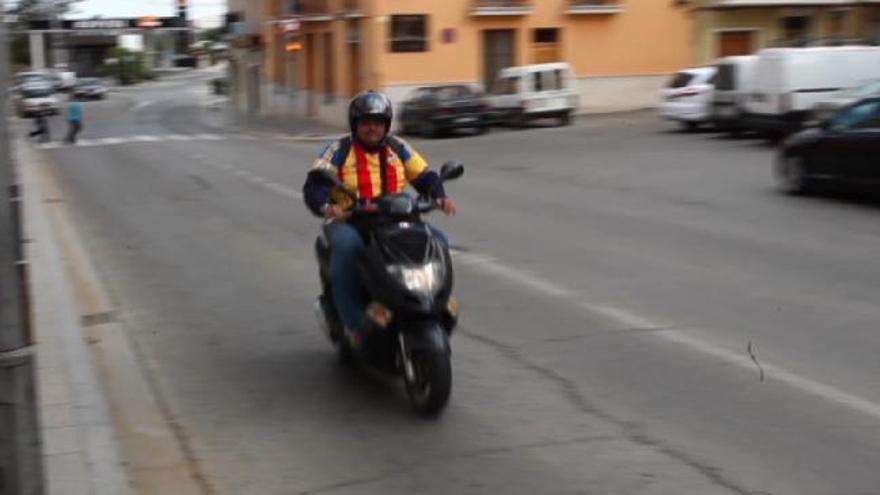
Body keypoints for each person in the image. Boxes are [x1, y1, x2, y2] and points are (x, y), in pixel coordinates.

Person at [303, 91, 458, 348]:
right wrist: (328, 208)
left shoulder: (398, 147)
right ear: (356, 125)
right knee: (346, 248)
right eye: (366, 122)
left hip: (396, 217)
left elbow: (424, 176)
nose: (372, 127)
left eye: (378, 122)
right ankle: (353, 324)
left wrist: (439, 196)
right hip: (352, 220)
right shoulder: (340, 149)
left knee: (438, 241)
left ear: (386, 124)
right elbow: (315, 184)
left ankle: (436, 304)